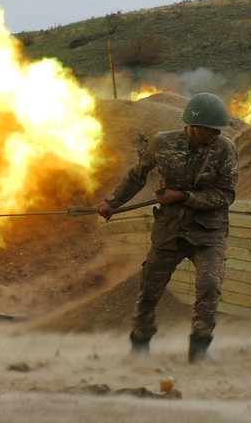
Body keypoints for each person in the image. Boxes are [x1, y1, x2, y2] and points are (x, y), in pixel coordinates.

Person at [98, 92, 239, 363]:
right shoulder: (162, 143)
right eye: (212, 129)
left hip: (209, 233)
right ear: (194, 126)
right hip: (169, 231)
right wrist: (112, 202)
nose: (216, 134)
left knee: (209, 286)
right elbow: (136, 176)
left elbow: (226, 195)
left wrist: (184, 196)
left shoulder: (225, 148)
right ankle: (139, 345)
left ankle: (199, 350)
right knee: (150, 289)